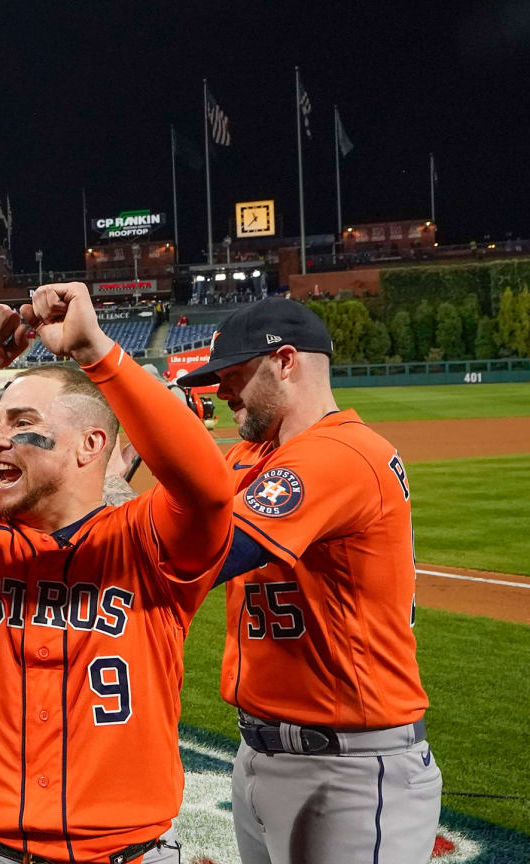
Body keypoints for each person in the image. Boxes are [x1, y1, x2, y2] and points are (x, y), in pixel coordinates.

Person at [0, 286, 234, 864]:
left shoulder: (146, 540)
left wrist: (95, 351)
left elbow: (207, 492)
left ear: (90, 444)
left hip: (124, 853)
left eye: (21, 422)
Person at [178, 298, 442, 864]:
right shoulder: (255, 455)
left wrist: (107, 363)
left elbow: (201, 553)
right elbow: (163, 521)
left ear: (286, 362)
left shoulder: (343, 452)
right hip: (261, 751)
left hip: (347, 768)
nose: (222, 392)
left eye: (233, 375)